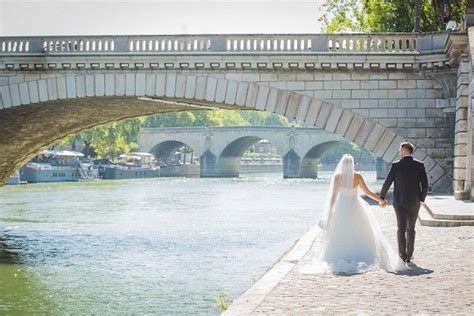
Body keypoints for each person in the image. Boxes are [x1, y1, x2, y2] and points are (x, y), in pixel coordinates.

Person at [302, 154, 406, 275]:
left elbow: (333, 196)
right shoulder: (357, 176)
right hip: (355, 205)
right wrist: (380, 200)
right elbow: (367, 192)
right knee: (360, 230)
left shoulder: (337, 177)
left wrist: (329, 211)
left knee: (340, 232)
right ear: (353, 164)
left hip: (341, 206)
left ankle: (340, 254)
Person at [380, 142, 428, 264]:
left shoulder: (396, 165)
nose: (399, 152)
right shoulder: (419, 165)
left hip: (399, 202)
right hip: (414, 202)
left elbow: (387, 182)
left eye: (400, 150)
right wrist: (421, 199)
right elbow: (425, 184)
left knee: (401, 228)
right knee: (411, 228)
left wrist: (382, 198)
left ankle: (402, 255)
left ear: (405, 151)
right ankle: (409, 255)